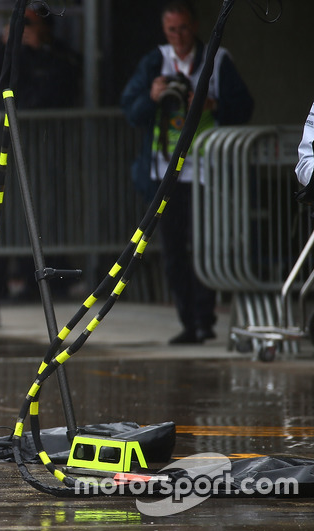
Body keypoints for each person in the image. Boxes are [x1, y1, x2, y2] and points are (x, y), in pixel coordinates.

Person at [120, 0, 253, 345]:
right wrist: (153, 97)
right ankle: (189, 322)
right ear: (164, 31)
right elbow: (132, 111)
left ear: (194, 26)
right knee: (174, 250)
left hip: (208, 172)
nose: (178, 36)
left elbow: (244, 107)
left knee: (206, 247)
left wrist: (213, 104)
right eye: (171, 30)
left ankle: (205, 318)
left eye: (183, 28)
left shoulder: (218, 59)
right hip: (166, 174)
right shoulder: (155, 62)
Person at [0, 7, 79, 109]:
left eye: (27, 22)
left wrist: (40, 48)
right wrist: (3, 44)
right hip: (13, 111)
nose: (23, 27)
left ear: (44, 26)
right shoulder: (5, 48)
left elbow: (68, 76)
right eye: (18, 21)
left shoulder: (58, 50)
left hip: (46, 113)